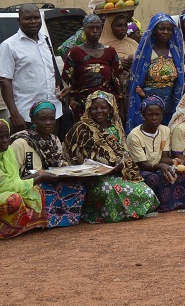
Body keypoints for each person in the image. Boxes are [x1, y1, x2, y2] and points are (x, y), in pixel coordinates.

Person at [64, 91, 159, 222]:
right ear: (88, 109)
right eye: (94, 108)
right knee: (108, 189)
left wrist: (120, 163)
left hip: (119, 174)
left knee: (146, 192)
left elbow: (124, 152)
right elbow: (72, 155)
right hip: (92, 179)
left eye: (103, 107)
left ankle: (128, 213)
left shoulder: (116, 128)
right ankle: (107, 215)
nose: (99, 111)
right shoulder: (80, 129)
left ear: (110, 109)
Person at [9, 100, 87, 227]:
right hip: (28, 184)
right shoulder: (22, 142)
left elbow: (58, 164)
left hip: (49, 180)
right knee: (45, 192)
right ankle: (45, 222)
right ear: (33, 121)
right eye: (43, 119)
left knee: (78, 189)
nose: (48, 123)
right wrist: (40, 177)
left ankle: (65, 220)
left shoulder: (54, 140)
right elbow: (12, 176)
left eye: (52, 119)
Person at [0, 3, 62, 132]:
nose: (33, 22)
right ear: (19, 21)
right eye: (27, 18)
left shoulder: (46, 41)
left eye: (36, 17)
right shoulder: (9, 45)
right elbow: (5, 81)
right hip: (25, 116)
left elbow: (50, 71)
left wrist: (62, 86)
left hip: (53, 114)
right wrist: (14, 114)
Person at [126, 97, 185, 212]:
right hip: (139, 169)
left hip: (158, 166)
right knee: (154, 178)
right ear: (143, 116)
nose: (154, 118)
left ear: (162, 115)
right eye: (150, 114)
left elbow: (164, 158)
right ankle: (159, 206)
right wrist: (159, 166)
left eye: (157, 114)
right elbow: (142, 164)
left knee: (178, 172)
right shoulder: (135, 136)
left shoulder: (165, 130)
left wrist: (174, 162)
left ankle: (179, 204)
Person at [126, 13, 185, 130]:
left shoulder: (175, 53)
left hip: (170, 104)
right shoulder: (145, 53)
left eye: (169, 29)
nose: (165, 32)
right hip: (148, 106)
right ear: (154, 30)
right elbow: (137, 80)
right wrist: (143, 96)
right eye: (161, 28)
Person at [61, 14, 125, 121]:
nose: (95, 30)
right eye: (91, 27)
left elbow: (118, 77)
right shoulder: (75, 52)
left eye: (98, 28)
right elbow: (65, 79)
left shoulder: (110, 51)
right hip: (82, 105)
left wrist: (121, 104)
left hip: (106, 105)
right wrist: (69, 101)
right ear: (84, 29)